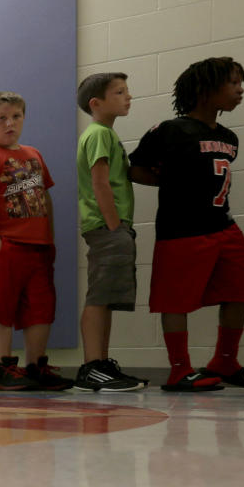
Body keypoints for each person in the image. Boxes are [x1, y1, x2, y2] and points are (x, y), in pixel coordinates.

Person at [129, 57, 244, 392]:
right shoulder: (171, 130)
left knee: (243, 286)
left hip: (223, 225)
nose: (240, 89)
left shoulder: (229, 136)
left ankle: (225, 361)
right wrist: (175, 184)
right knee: (176, 299)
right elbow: (137, 169)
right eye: (232, 83)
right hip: (181, 229)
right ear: (205, 90)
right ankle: (179, 370)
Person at [0, 91, 73, 391]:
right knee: (2, 305)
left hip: (37, 246)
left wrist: (48, 236)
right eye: (2, 118)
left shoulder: (34, 155)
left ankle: (36, 366)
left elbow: (44, 196)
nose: (10, 123)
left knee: (40, 305)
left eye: (16, 117)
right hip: (4, 245)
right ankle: (3, 368)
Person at [74, 72, 147, 392]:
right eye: (119, 92)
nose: (127, 97)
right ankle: (92, 366)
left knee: (106, 298)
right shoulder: (99, 134)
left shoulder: (105, 134)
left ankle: (101, 363)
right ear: (96, 103)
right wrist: (115, 224)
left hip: (112, 226)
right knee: (99, 296)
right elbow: (99, 182)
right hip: (107, 227)